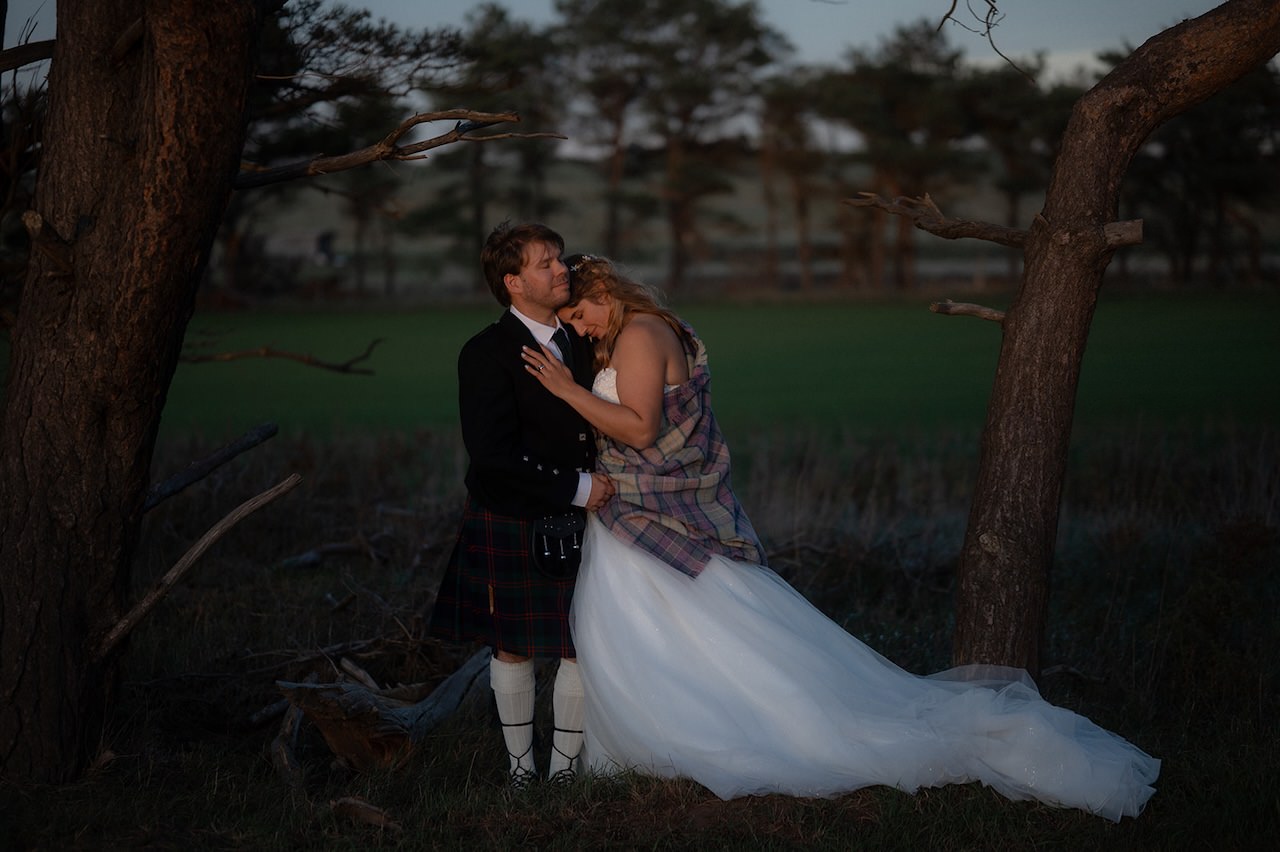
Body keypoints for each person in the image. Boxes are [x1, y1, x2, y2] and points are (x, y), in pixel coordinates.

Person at [519, 254, 1160, 821]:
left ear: (607, 290)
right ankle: (654, 739)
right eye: (569, 320)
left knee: (701, 632)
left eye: (579, 313)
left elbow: (637, 430)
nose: (579, 328)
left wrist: (567, 390)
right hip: (631, 515)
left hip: (648, 506)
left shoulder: (637, 334)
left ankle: (697, 736)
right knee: (671, 632)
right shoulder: (646, 330)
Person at [429, 223, 615, 789]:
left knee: (578, 644)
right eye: (545, 263)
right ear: (513, 282)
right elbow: (492, 455)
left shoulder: (584, 336)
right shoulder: (486, 354)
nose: (562, 269)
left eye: (559, 259)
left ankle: (561, 776)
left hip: (589, 518)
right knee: (513, 649)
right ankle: (519, 774)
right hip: (513, 515)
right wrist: (579, 488)